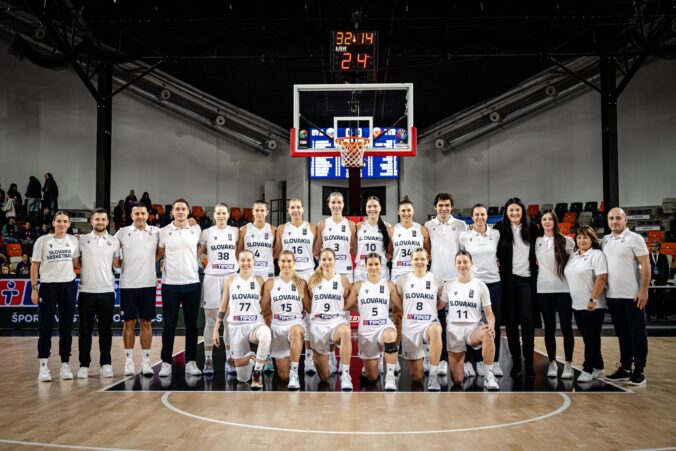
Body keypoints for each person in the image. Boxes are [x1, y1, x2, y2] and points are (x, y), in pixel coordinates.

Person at [602, 207, 651, 386]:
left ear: (625, 221)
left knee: (638, 334)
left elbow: (646, 266)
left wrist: (644, 290)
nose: (614, 221)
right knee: (622, 334)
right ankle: (625, 368)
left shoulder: (635, 239)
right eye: (611, 218)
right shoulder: (605, 240)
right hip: (613, 296)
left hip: (633, 296)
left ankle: (639, 371)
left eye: (617, 218)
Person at [156, 198, 203, 378]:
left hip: (192, 282)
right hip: (170, 285)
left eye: (184, 209)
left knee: (192, 325)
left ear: (188, 211)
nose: (181, 211)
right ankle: (166, 362)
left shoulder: (196, 229)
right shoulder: (164, 232)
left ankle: (191, 361)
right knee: (169, 325)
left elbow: (200, 248)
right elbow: (159, 254)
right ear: (172, 212)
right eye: (177, 209)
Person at [31, 211, 80, 382]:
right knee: (45, 328)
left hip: (68, 286)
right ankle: (43, 366)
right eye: (59, 221)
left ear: (69, 224)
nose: (62, 224)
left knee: (66, 328)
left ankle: (65, 365)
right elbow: (35, 266)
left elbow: (76, 264)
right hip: (48, 286)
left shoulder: (73, 241)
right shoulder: (42, 241)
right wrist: (34, 288)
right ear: (53, 223)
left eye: (65, 221)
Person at [440, 250, 499, 390]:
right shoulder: (448, 285)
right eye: (459, 262)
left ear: (471, 263)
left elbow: (489, 313)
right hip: (454, 331)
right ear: (455, 265)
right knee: (457, 380)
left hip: (473, 328)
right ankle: (463, 363)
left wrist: (491, 325)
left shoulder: (480, 286)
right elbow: (438, 306)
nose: (462, 265)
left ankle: (489, 375)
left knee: (488, 334)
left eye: (465, 262)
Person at [493, 197, 539, 378]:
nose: (514, 213)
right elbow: (491, 248)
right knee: (511, 324)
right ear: (506, 212)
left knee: (528, 323)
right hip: (507, 281)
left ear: (523, 211)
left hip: (526, 281)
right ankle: (516, 362)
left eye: (517, 210)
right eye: (511, 210)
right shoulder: (499, 228)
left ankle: (529, 362)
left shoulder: (532, 229)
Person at [212, 250, 270, 389]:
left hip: (254, 324)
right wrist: (215, 329)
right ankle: (251, 358)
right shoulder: (230, 280)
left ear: (253, 262)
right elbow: (223, 305)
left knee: (266, 335)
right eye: (243, 260)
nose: (246, 263)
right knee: (242, 378)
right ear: (238, 262)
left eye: (249, 260)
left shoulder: (259, 280)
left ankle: (257, 372)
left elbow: (266, 305)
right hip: (236, 326)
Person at [114, 203, 160, 377]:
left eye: (143, 213)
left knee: (146, 323)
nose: (140, 216)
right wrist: (119, 263)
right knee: (129, 324)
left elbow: (161, 251)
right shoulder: (122, 232)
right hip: (128, 285)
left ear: (148, 215)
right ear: (131, 216)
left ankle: (146, 362)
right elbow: (113, 253)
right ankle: (129, 362)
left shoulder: (156, 232)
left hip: (148, 284)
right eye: (136, 214)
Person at [459, 203, 504, 377]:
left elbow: (500, 254)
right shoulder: (464, 236)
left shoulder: (496, 234)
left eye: (482, 214)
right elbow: (462, 259)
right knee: (471, 323)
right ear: (472, 217)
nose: (480, 217)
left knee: (493, 323)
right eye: (476, 215)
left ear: (487, 216)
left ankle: (494, 361)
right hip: (474, 284)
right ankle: (471, 361)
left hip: (493, 282)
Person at [424, 193, 466, 378]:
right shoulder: (428, 226)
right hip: (436, 278)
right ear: (435, 207)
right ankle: (439, 359)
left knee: (459, 320)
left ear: (452, 206)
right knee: (437, 320)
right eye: (440, 205)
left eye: (447, 205)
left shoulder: (460, 225)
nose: (444, 208)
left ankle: (460, 360)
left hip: (456, 278)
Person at [346, 253, 402, 391]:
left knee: (390, 336)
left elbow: (401, 305)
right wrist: (360, 309)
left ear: (381, 266)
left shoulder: (389, 285)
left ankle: (390, 377)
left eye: (376, 264)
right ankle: (373, 367)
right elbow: (345, 306)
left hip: (384, 325)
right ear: (365, 266)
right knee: (372, 377)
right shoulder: (358, 286)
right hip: (366, 330)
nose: (373, 267)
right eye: (370, 264)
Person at [76, 208, 121, 379]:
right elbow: (77, 263)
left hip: (107, 291)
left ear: (108, 222)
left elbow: (117, 264)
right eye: (97, 219)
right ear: (91, 221)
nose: (100, 222)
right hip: (86, 291)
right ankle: (84, 365)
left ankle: (106, 364)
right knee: (84, 330)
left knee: (105, 330)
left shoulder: (114, 242)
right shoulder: (81, 240)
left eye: (103, 219)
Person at [274, 198, 317, 374]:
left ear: (303, 209)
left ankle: (308, 358)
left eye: (298, 207)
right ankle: (277, 353)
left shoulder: (312, 227)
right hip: (288, 273)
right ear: (288, 210)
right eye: (292, 207)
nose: (296, 210)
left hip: (307, 272)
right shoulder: (282, 229)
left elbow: (316, 250)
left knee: (308, 315)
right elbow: (277, 252)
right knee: (285, 313)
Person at [198, 203, 239, 375]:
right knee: (210, 321)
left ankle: (230, 358)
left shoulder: (236, 231)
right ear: (214, 215)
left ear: (228, 215)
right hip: (212, 277)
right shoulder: (206, 232)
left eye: (224, 213)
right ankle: (208, 360)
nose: (221, 216)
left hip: (231, 277)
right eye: (218, 213)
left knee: (230, 321)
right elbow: (198, 253)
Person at [395, 248, 444, 391]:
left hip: (429, 324)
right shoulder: (402, 280)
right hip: (410, 328)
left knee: (436, 330)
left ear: (428, 260)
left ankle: (433, 375)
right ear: (411, 261)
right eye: (416, 259)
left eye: (422, 259)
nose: (419, 262)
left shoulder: (437, 280)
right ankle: (424, 356)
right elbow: (399, 302)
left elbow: (440, 302)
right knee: (416, 376)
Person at [564, 226, 608, 383]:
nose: (582, 240)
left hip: (593, 305)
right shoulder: (574, 255)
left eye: (585, 237)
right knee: (588, 338)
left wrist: (593, 299)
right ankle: (599, 367)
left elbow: (601, 277)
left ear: (592, 239)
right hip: (577, 305)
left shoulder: (596, 255)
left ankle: (588, 369)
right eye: (579, 238)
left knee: (591, 338)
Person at [535, 209, 575, 379]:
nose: (547, 222)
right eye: (544, 219)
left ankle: (568, 364)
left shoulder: (567, 241)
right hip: (544, 290)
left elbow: (574, 267)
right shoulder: (536, 241)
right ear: (540, 222)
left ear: (555, 221)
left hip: (564, 290)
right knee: (549, 328)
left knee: (566, 328)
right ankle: (552, 362)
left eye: (550, 219)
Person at [306, 248, 353, 390]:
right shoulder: (312, 279)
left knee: (345, 331)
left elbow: (348, 302)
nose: (326, 262)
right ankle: (320, 358)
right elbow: (308, 306)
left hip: (336, 323)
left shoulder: (343, 280)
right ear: (320, 261)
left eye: (329, 259)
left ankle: (345, 374)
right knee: (325, 377)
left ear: (335, 261)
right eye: (324, 259)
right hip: (318, 326)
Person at [260, 250, 307, 390]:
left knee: (296, 330)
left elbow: (310, 307)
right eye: (283, 261)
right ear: (278, 263)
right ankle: (289, 374)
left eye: (289, 261)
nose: (286, 264)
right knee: (283, 377)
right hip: (277, 327)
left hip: (295, 323)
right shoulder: (270, 283)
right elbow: (263, 308)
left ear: (294, 263)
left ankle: (295, 372)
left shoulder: (301, 283)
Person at [314, 192, 357, 282]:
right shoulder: (322, 224)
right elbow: (316, 251)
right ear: (329, 204)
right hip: (326, 269)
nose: (336, 205)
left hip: (345, 270)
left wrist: (346, 251)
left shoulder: (351, 225)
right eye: (333, 202)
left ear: (343, 204)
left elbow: (357, 250)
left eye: (339, 202)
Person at [389, 196, 430, 281]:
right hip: (398, 273)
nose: (406, 213)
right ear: (398, 212)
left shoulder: (422, 230)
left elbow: (427, 253)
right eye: (403, 210)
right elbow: (389, 253)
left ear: (413, 211)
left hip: (417, 272)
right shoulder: (392, 230)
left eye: (409, 210)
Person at [354, 196, 391, 282]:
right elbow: (355, 247)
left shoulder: (387, 227)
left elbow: (389, 252)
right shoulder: (359, 226)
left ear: (380, 208)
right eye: (369, 206)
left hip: (380, 270)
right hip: (362, 269)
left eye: (375, 206)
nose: (372, 209)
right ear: (365, 208)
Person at [238, 200, 276, 280]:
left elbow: (277, 249)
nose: (259, 213)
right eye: (257, 210)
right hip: (249, 270)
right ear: (252, 211)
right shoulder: (244, 229)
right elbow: (239, 251)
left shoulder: (273, 230)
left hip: (267, 270)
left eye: (262, 210)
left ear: (267, 212)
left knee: (267, 292)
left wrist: (269, 258)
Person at [648, 241, 670, 320]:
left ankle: (660, 315)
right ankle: (649, 315)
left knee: (660, 297)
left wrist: (665, 280)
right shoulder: (648, 256)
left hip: (660, 280)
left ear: (657, 247)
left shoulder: (663, 256)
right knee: (649, 297)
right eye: (651, 246)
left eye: (653, 246)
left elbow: (667, 269)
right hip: (650, 280)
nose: (651, 247)